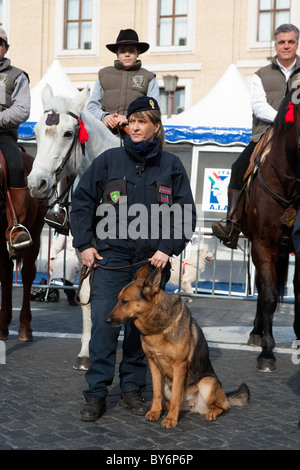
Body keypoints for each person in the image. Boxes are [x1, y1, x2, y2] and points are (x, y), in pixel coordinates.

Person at [70, 96, 196, 422]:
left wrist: (167, 248)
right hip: (111, 260)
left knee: (143, 333)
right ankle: (96, 394)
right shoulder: (108, 160)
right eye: (133, 121)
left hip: (152, 264)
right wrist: (84, 243)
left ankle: (131, 390)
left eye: (143, 121)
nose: (136, 126)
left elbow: (185, 214)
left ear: (155, 127)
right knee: (103, 327)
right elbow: (82, 201)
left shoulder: (171, 165)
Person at [212, 23, 300, 249]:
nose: (286, 46)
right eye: (282, 42)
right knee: (238, 166)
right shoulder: (261, 74)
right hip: (265, 133)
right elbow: (259, 106)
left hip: (299, 135)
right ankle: (232, 224)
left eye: (291, 41)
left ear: (297, 43)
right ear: (276, 45)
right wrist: (283, 121)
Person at [87, 29, 160, 137]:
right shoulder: (104, 74)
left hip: (136, 136)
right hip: (104, 135)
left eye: (131, 51)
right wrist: (104, 117)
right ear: (117, 53)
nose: (127, 54)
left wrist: (128, 119)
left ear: (138, 53)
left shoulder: (149, 77)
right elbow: (92, 106)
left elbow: (154, 110)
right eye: (122, 51)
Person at [0, 28, 32, 258]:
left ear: (6, 48)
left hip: (3, 133)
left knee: (16, 166)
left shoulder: (17, 75)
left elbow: (22, 109)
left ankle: (15, 228)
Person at [49, 233, 80, 306]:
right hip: (67, 252)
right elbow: (57, 245)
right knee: (59, 263)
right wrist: (51, 258)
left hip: (81, 253)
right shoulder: (68, 227)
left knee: (70, 265)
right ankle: (70, 293)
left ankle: (70, 293)